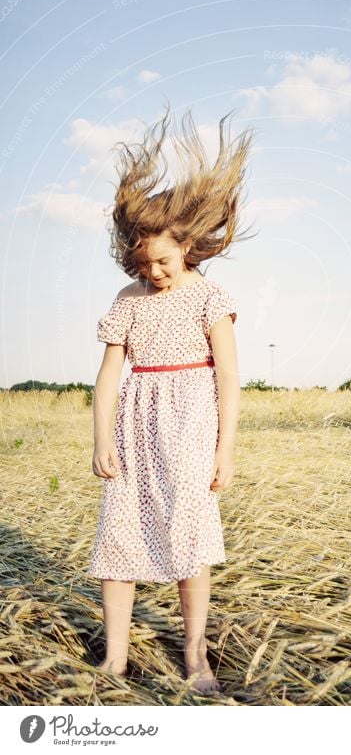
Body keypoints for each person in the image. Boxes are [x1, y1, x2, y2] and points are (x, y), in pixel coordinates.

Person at [88, 103, 256, 695]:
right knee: (119, 534)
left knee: (188, 537)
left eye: (162, 259)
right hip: (135, 424)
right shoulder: (127, 297)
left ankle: (195, 656)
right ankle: (113, 657)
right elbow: (109, 375)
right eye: (143, 262)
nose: (154, 271)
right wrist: (102, 437)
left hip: (191, 423)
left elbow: (229, 376)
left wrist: (225, 450)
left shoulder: (210, 297)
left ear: (186, 245)